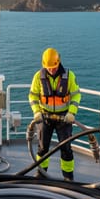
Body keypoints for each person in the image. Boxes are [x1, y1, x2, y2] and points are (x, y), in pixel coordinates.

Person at [29, 47, 81, 181]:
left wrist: (72, 113)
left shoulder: (69, 76)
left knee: (66, 148)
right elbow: (33, 96)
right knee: (42, 148)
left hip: (64, 118)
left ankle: (68, 176)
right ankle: (41, 173)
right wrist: (36, 112)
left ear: (59, 62)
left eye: (53, 67)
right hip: (44, 117)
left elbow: (76, 96)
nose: (51, 70)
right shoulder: (38, 77)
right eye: (48, 67)